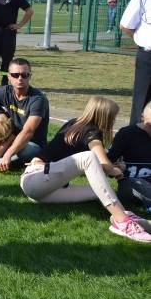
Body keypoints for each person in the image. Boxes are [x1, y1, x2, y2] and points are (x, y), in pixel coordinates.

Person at [19, 96, 151, 243]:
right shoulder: (90, 131)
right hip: (35, 180)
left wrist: (112, 167)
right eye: (113, 117)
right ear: (104, 117)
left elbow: (100, 166)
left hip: (47, 190)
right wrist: (115, 171)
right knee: (88, 157)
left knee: (105, 192)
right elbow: (103, 163)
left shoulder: (75, 124)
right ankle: (122, 223)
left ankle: (122, 215)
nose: (114, 122)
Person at [107, 99, 151, 211]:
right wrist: (116, 169)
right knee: (139, 184)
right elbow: (107, 162)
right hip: (132, 182)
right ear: (142, 117)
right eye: (150, 125)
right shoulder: (127, 133)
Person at [120, 0, 151, 125]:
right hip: (148, 56)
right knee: (142, 100)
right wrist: (143, 40)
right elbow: (125, 25)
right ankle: (136, 139)